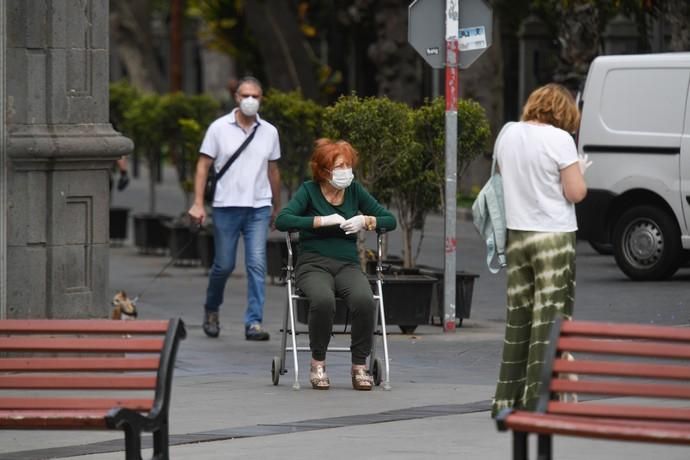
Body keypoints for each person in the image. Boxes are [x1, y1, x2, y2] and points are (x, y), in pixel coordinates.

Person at [491, 83, 589, 417]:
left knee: (518, 319)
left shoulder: (507, 133)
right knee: (549, 319)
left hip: (517, 235)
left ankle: (507, 400)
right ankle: (540, 400)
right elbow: (575, 192)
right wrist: (581, 173)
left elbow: (507, 176)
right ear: (564, 112)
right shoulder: (561, 140)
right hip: (553, 236)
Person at [275, 139, 396, 391]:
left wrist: (366, 220)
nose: (346, 172)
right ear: (324, 170)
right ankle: (318, 362)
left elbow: (390, 219)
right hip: (313, 264)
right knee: (323, 300)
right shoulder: (309, 190)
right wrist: (320, 221)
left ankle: (359, 365)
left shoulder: (354, 191)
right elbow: (283, 220)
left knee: (364, 300)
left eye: (348, 166)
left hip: (347, 264)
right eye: (340, 166)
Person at [188, 76, 281, 341]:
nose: (250, 100)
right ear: (236, 98)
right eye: (245, 95)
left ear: (262, 99)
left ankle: (254, 322)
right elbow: (203, 165)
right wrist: (197, 203)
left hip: (258, 207)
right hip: (226, 206)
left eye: (256, 96)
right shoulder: (218, 128)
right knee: (224, 265)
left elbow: (273, 170)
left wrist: (277, 206)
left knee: (257, 264)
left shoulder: (269, 132)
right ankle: (211, 309)